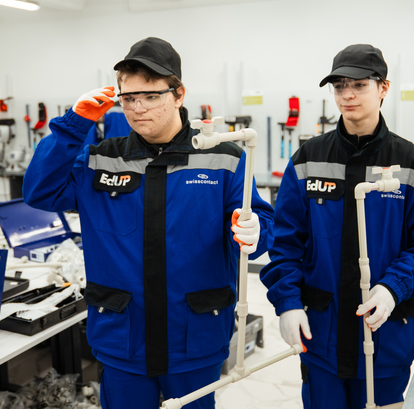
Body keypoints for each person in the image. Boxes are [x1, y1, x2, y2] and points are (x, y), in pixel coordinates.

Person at [23, 37, 274, 409]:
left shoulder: (225, 158)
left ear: (178, 94)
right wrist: (72, 126)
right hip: (123, 337)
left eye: (151, 96)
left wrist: (255, 230)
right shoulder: (99, 161)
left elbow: (259, 223)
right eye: (128, 98)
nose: (137, 108)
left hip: (195, 335)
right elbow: (39, 191)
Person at [259, 44, 414, 408]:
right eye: (339, 86)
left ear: (383, 88)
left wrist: (394, 288)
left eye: (359, 85)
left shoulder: (412, 164)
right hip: (321, 335)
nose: (347, 95)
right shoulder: (307, 160)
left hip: (386, 338)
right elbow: (285, 242)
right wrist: (287, 302)